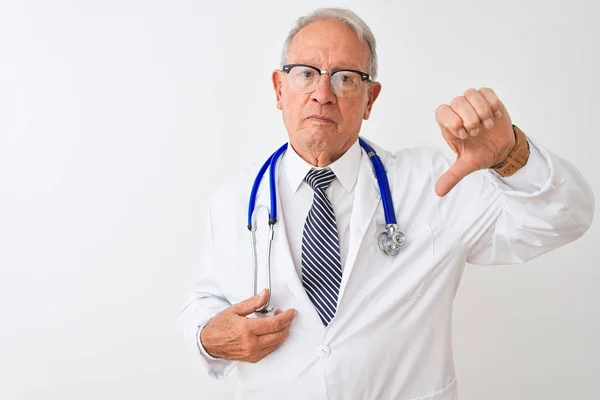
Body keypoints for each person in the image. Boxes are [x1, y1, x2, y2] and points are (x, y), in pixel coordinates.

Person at [178, 7, 594, 400]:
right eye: (305, 74)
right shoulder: (233, 199)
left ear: (371, 98)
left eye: (345, 78)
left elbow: (565, 219)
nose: (322, 94)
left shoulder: (433, 185)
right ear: (278, 88)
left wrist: (511, 155)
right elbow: (207, 300)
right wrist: (206, 338)